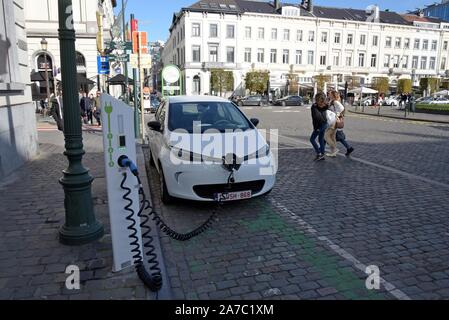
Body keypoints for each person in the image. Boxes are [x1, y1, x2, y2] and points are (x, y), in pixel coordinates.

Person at [324, 90, 345, 157]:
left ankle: (335, 149)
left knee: (326, 136)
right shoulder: (331, 101)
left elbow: (342, 108)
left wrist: (337, 114)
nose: (328, 94)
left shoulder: (335, 101)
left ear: (333, 95)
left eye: (330, 94)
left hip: (333, 121)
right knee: (333, 137)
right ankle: (333, 153)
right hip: (333, 120)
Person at [310, 92, 329, 161]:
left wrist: (318, 128)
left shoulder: (314, 106)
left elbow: (317, 117)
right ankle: (322, 154)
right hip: (324, 124)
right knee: (321, 139)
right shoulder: (325, 105)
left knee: (312, 139)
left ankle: (319, 153)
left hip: (319, 125)